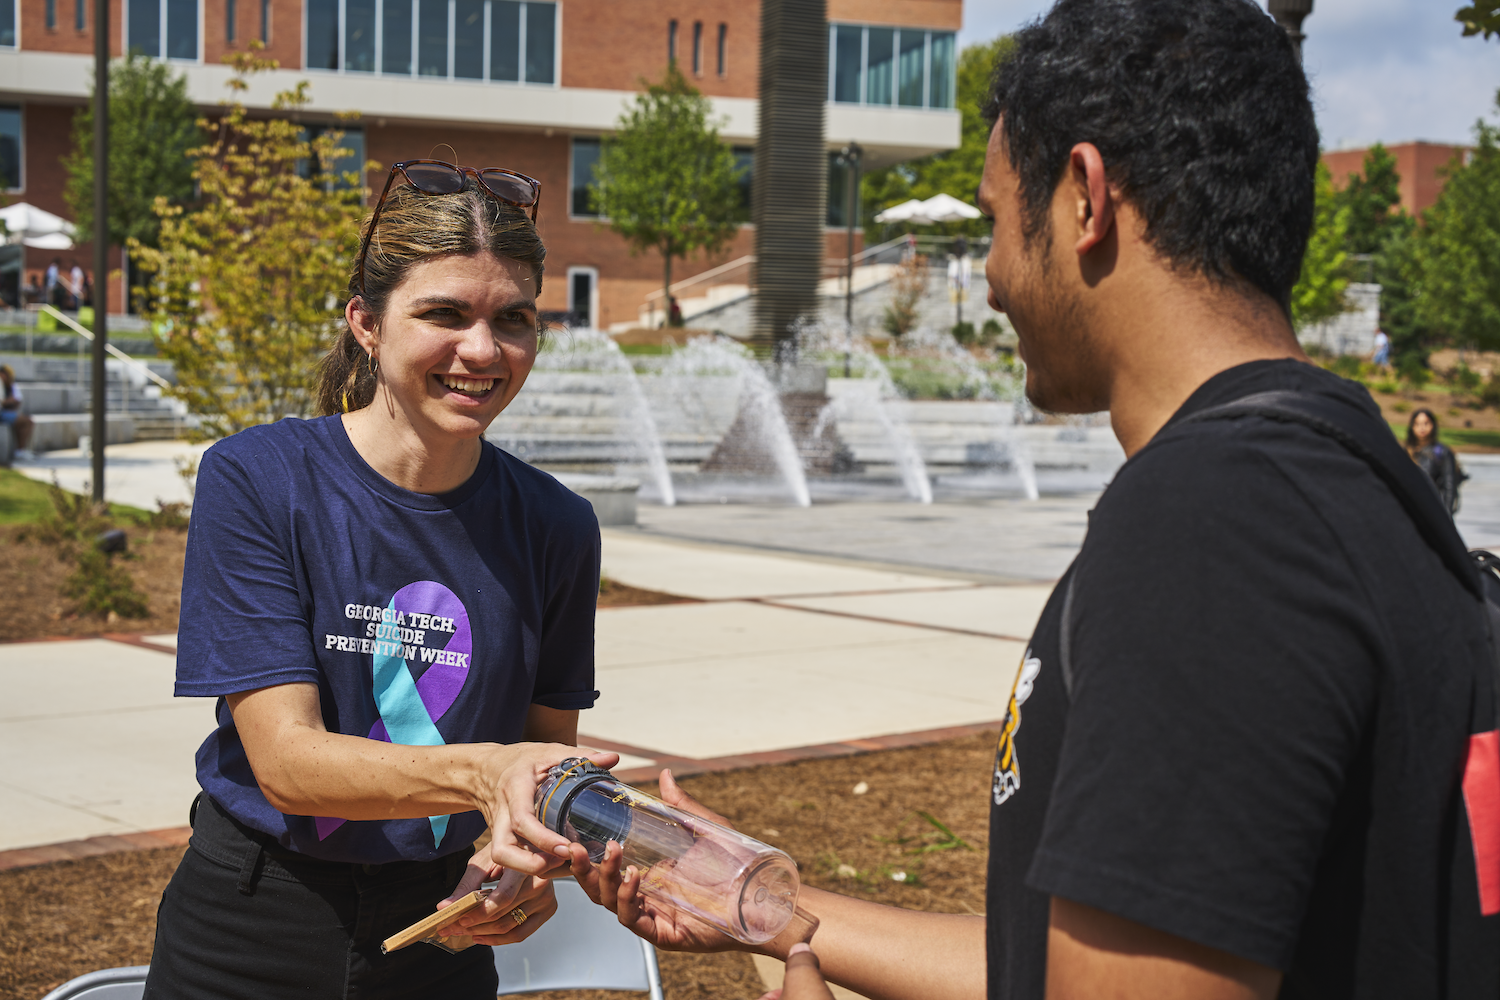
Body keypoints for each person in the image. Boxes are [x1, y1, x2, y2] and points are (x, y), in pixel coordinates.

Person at [568, 1, 1500, 997]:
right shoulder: (1349, 474)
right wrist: (774, 906)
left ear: (1085, 198)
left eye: (995, 221)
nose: (995, 275)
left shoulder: (1214, 527)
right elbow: (1079, 962)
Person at [144, 160, 619, 1000]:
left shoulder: (557, 525)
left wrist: (514, 863)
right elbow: (288, 764)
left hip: (443, 923)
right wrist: (487, 776)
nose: (483, 349)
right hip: (251, 920)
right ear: (367, 323)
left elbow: (546, 751)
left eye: (514, 319)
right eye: (444, 313)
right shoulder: (260, 479)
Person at [1407, 407, 1463, 514]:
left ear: (1433, 425)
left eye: (1426, 423)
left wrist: (1447, 515)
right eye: (1417, 424)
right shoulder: (1407, 451)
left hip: (1433, 509)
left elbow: (1449, 487)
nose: (1421, 428)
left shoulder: (1442, 452)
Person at [0, 363, 35, 460]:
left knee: (27, 421)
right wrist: (8, 401)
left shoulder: (11, 386)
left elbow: (17, 400)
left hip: (5, 412)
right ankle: (20, 451)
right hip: (2, 413)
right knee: (27, 422)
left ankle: (21, 450)